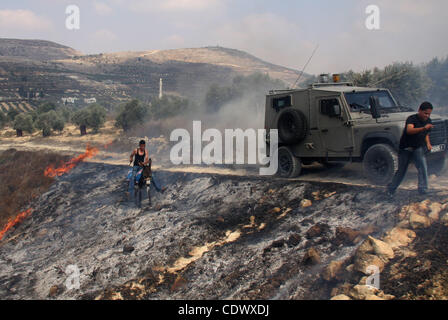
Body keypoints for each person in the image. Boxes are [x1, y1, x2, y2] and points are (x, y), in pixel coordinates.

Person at [387, 102, 434, 196]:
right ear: (419, 110)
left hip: (418, 147)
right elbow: (409, 130)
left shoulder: (428, 120)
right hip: (406, 148)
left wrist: (428, 143)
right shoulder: (412, 119)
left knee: (422, 167)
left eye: (429, 114)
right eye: (425, 113)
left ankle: (423, 189)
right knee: (402, 170)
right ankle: (391, 188)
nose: (427, 116)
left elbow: (426, 134)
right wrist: (423, 128)